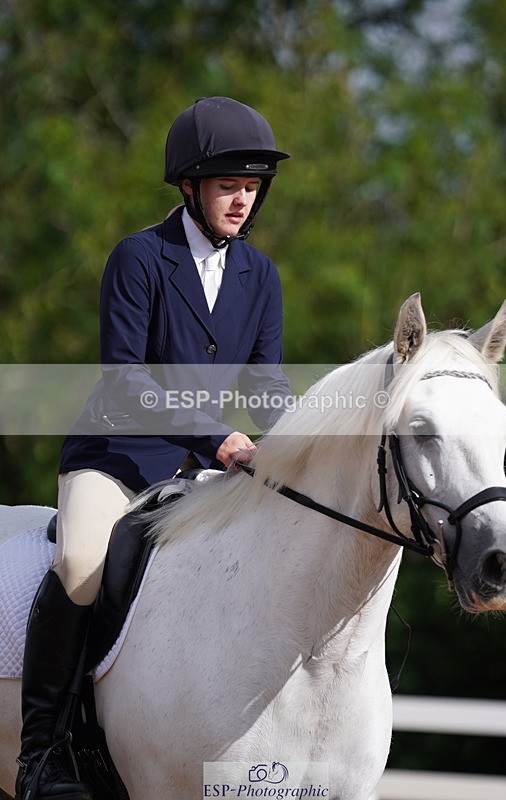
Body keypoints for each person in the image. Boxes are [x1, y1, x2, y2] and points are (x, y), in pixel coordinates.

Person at [15, 96, 291, 800]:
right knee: (80, 560)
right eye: (229, 185)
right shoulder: (141, 257)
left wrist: (302, 442)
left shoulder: (260, 276)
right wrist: (217, 436)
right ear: (189, 187)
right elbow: (127, 378)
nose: (241, 200)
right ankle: (43, 754)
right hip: (116, 456)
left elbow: (264, 382)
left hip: (198, 469)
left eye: (252, 187)